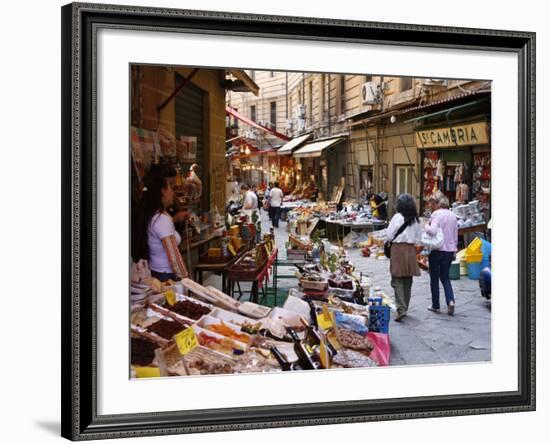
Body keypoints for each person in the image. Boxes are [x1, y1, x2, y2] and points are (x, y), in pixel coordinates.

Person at [133, 166, 189, 282]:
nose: (173, 192)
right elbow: (174, 258)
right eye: (171, 188)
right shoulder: (162, 219)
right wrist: (187, 281)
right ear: (163, 191)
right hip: (166, 275)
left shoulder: (154, 214)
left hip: (156, 272)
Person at [386, 193, 422, 321]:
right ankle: (405, 307)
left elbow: (389, 235)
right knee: (408, 279)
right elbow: (419, 238)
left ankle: (401, 308)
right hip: (411, 250)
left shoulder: (397, 217)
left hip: (398, 249)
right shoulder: (416, 219)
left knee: (397, 279)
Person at [425, 191, 458, 315]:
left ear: (438, 204)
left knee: (434, 278)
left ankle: (436, 305)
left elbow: (432, 231)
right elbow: (455, 235)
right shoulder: (453, 216)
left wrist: (426, 227)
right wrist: (454, 250)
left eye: (433, 203)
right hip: (449, 250)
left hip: (437, 250)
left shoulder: (436, 214)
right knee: (445, 277)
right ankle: (450, 301)